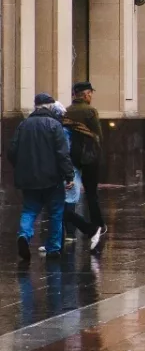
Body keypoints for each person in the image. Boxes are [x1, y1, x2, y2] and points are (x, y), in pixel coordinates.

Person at [9, 94, 76, 261]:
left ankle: (24, 235)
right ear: (49, 106)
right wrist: (69, 175)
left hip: (28, 178)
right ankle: (53, 248)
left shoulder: (23, 125)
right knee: (55, 212)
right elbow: (62, 154)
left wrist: (21, 167)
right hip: (52, 178)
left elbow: (12, 151)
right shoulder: (54, 125)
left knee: (29, 210)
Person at [63, 81, 105, 234]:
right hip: (89, 157)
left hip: (72, 156)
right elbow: (98, 135)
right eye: (90, 94)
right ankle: (98, 224)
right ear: (86, 94)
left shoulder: (67, 111)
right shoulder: (90, 111)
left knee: (71, 192)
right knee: (91, 193)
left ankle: (70, 229)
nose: (91, 96)